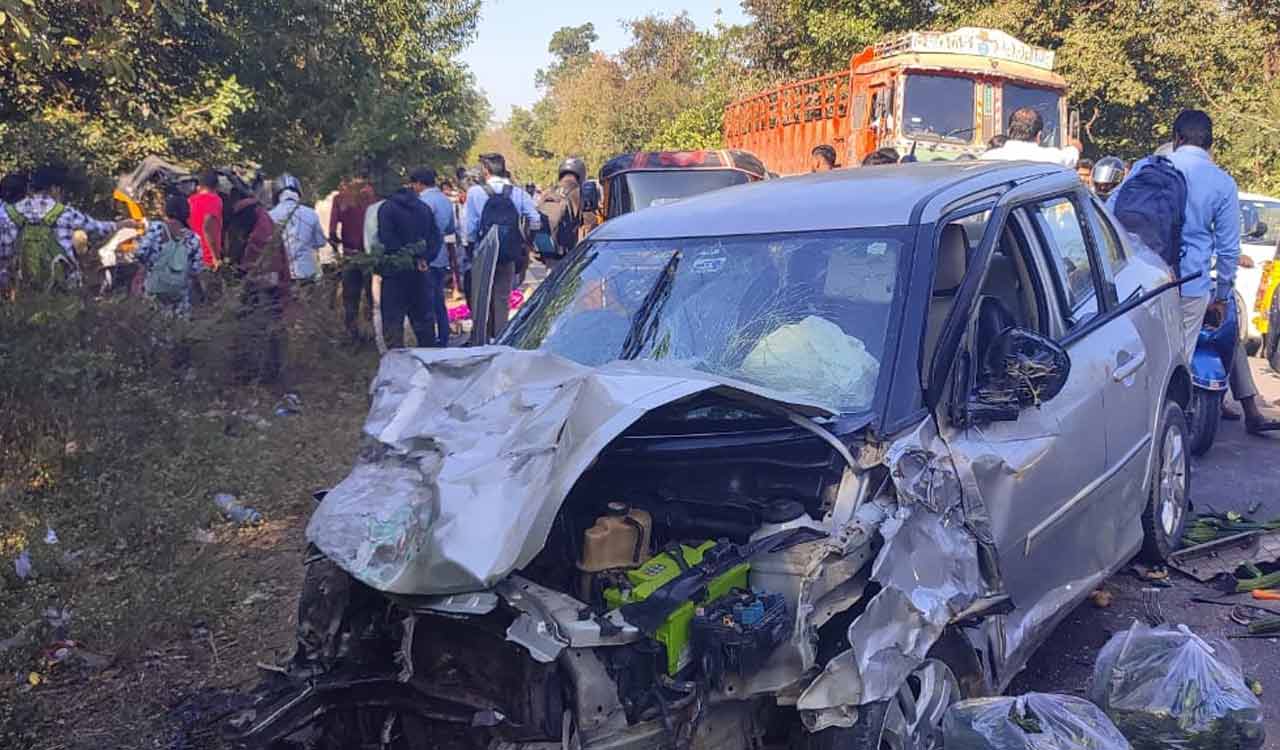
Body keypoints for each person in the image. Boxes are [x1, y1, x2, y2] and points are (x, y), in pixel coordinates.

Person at [1112, 110, 1279, 434]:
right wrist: (1220, 295)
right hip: (1190, 284)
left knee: (1141, 355)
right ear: (1211, 144)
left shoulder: (1148, 167)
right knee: (1179, 360)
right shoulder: (1221, 182)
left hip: (1141, 280)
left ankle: (1132, 428)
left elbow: (1111, 212)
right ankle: (1171, 431)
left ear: (1176, 138)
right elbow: (1229, 249)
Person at [0, 164, 142, 293]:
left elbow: (4, 256)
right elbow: (97, 228)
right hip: (61, 287)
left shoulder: (9, 214)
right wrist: (121, 225)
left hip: (22, 288)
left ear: (31, 189)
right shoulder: (65, 213)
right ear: (55, 189)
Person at [463, 152, 540, 338]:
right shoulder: (518, 193)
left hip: (483, 252)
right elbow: (535, 219)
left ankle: (482, 338)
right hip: (508, 252)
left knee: (482, 296)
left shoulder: (475, 192)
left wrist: (471, 249)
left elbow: (469, 228)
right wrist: (526, 242)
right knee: (502, 297)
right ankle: (500, 337)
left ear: (486, 170)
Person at [231, 192, 289, 385]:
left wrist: (246, 278)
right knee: (268, 332)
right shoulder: (264, 225)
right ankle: (267, 372)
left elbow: (267, 270)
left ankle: (262, 374)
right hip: (270, 289)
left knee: (261, 330)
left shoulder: (260, 234)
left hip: (265, 291)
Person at [378, 174, 441, 349]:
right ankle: (430, 365)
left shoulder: (386, 209)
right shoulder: (423, 208)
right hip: (420, 272)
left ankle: (397, 368)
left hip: (394, 273)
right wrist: (425, 258)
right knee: (424, 325)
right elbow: (436, 237)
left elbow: (386, 239)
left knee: (393, 325)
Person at [133, 193, 204, 316]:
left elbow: (141, 252)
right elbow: (195, 270)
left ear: (167, 210)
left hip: (153, 289)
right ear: (187, 213)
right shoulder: (194, 238)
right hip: (179, 296)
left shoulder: (156, 228)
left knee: (152, 326)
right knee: (177, 331)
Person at [328, 171, 378, 343]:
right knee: (373, 297)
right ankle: (375, 333)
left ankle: (352, 333)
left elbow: (332, 232)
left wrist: (338, 249)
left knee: (350, 297)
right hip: (371, 255)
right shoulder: (373, 196)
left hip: (350, 254)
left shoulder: (341, 198)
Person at [412, 167, 456, 347]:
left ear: (419, 183)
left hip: (426, 257)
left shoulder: (423, 202)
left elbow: (420, 230)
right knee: (439, 301)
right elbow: (451, 228)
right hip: (441, 255)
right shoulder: (445, 200)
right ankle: (444, 337)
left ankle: (430, 341)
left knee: (426, 300)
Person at [269, 174, 326, 283]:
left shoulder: (270, 215)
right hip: (306, 273)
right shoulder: (311, 213)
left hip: (281, 275)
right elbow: (320, 242)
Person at [982, 108, 1081, 168]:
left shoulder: (987, 158)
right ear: (1039, 136)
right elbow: (1071, 156)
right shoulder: (1052, 157)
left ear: (1008, 131)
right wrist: (1074, 146)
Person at [533, 157, 585, 270]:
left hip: (546, 245)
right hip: (566, 247)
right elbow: (587, 223)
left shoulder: (549, 191)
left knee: (550, 276)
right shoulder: (577, 192)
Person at [188, 170, 224, 269]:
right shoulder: (214, 200)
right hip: (207, 258)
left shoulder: (190, 200)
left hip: (191, 254)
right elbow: (208, 227)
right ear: (217, 185)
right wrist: (216, 258)